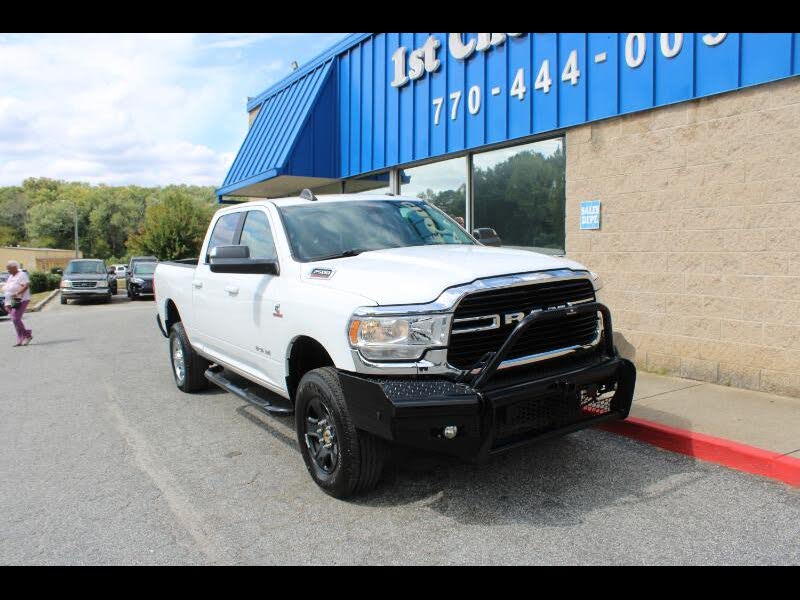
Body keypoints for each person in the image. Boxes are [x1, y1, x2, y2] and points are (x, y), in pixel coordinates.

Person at [4, 260, 32, 347]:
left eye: (9, 269)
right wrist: (6, 302)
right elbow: (8, 288)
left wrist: (17, 294)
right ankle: (20, 339)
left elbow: (26, 286)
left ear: (15, 267)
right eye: (7, 269)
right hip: (10, 301)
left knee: (16, 318)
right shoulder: (11, 276)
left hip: (20, 300)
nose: (8, 270)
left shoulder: (21, 274)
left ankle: (27, 335)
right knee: (14, 320)